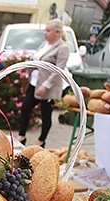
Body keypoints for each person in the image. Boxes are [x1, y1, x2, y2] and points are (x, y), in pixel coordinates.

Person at [17, 19, 70, 148]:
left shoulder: (63, 48)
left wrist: (46, 85)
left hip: (48, 87)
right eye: (45, 30)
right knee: (25, 108)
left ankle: (42, 140)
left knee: (45, 114)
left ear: (57, 32)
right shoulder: (44, 44)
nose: (45, 33)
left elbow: (59, 70)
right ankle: (22, 136)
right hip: (34, 83)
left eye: (48, 31)